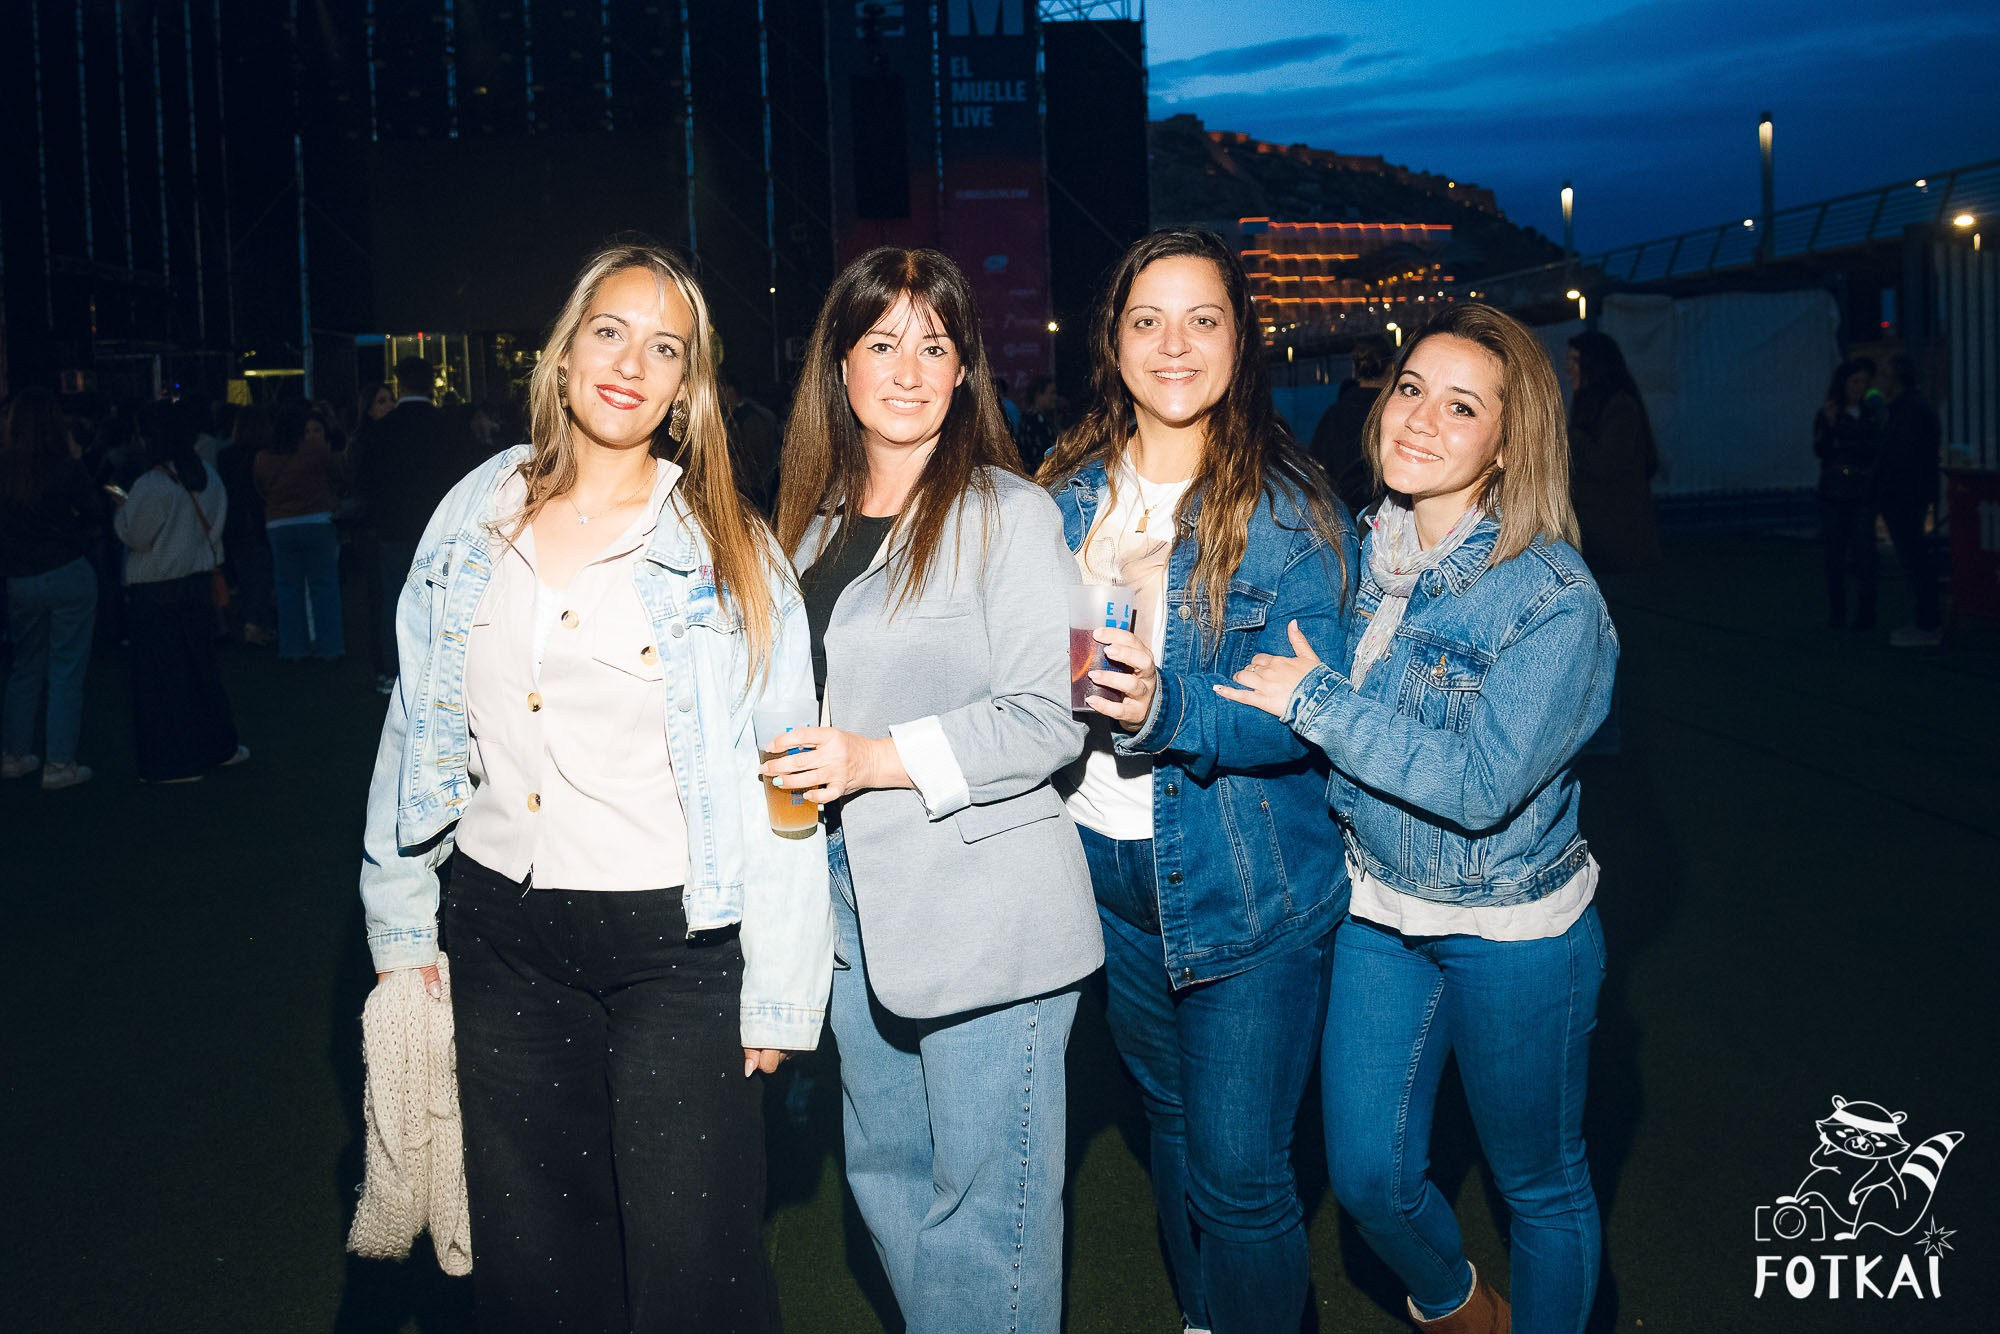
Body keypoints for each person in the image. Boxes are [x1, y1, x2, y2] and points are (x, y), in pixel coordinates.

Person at [359, 242, 833, 1333]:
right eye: (609, 331)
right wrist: (400, 929)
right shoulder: (471, 517)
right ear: (564, 352)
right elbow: (411, 720)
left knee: (694, 1271)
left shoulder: (731, 550)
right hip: (497, 937)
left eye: (663, 347)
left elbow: (788, 775)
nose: (630, 362)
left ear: (685, 388)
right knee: (534, 1274)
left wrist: (783, 981)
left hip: (681, 949)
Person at [1218, 302, 1618, 1334]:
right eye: (1408, 389)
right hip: (1378, 908)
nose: (1418, 420)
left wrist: (1316, 702)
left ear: (1505, 440)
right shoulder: (1359, 555)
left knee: (1540, 1186)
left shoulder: (1549, 597)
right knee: (1363, 1175)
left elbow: (1479, 784)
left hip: (1513, 927)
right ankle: (1457, 1306)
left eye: (1460, 405)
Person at [768, 246, 1099, 1333]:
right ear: (840, 364)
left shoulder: (1007, 514)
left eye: (935, 345)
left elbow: (1051, 715)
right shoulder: (804, 525)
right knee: (888, 1180)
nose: (907, 368)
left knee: (986, 1212)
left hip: (982, 914)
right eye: (881, 342)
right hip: (846, 903)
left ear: (964, 373)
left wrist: (871, 757)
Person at [1037, 228, 1355, 1334]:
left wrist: (1171, 705)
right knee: (1167, 1124)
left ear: (1239, 340)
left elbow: (1308, 721)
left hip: (1242, 877)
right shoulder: (1061, 500)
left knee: (1240, 1176)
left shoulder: (1290, 514)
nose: (1173, 345)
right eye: (1146, 319)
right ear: (1111, 341)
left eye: (1201, 319)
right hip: (1099, 870)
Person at [113, 402, 251, 783]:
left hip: (155, 591)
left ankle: (173, 762)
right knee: (200, 672)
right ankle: (218, 746)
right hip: (197, 584)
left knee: (162, 681)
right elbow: (216, 528)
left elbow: (136, 536)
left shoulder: (152, 484)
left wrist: (121, 511)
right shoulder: (206, 474)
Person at [2, 389, 104, 789]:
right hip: (66, 571)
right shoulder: (64, 466)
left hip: (21, 578)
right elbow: (94, 512)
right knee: (65, 670)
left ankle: (13, 754)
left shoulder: (6, 468)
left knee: (25, 668)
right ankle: (59, 763)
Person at [354, 355, 471, 692]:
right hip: (439, 525)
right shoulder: (448, 426)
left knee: (394, 598)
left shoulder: (383, 429)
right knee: (442, 598)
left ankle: (393, 670)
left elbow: (365, 482)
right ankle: (441, 668)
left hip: (393, 526)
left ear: (399, 383)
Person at [256, 403, 346, 661]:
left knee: (288, 589)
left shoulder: (263, 458)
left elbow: (261, 488)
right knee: (324, 586)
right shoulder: (316, 450)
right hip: (317, 520)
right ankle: (330, 647)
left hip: (279, 524)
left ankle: (293, 648)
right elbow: (336, 475)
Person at [1565, 330, 1660, 575]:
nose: (1569, 368)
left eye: (1576, 361)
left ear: (1595, 366)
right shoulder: (1586, 404)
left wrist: (1569, 435)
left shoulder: (1620, 407)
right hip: (1594, 533)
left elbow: (1607, 464)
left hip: (1617, 534)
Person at [1876, 355, 1942, 646]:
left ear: (1897, 378)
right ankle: (1926, 622)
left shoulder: (1908, 412)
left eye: (1885, 374)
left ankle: (1927, 625)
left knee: (1915, 560)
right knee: (1916, 559)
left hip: (1905, 496)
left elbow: (1903, 458)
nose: (1880, 380)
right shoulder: (1911, 408)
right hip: (1909, 494)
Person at [1813, 359, 1882, 630]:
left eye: (1864, 382)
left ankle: (1865, 614)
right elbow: (1822, 450)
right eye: (1855, 381)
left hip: (1860, 492)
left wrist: (1839, 432)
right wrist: (1833, 429)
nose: (1860, 387)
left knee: (1865, 555)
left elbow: (1872, 448)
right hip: (1835, 493)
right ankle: (1838, 613)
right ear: (1843, 383)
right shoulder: (1830, 414)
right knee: (1836, 555)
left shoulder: (1870, 414)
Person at [1309, 334, 1392, 514]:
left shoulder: (1334, 413)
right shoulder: (1390, 416)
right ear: (1392, 368)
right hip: (1380, 515)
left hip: (1338, 513)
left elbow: (1316, 467)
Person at [217, 404, 278, 645]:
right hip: (260, 517)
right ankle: (256, 623)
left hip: (235, 522)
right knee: (261, 576)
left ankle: (252, 622)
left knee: (246, 576)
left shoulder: (226, 455)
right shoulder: (266, 454)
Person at [1014, 373, 1063, 473]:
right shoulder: (1035, 420)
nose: (1054, 397)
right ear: (1039, 395)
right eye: (1051, 393)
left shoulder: (1030, 417)